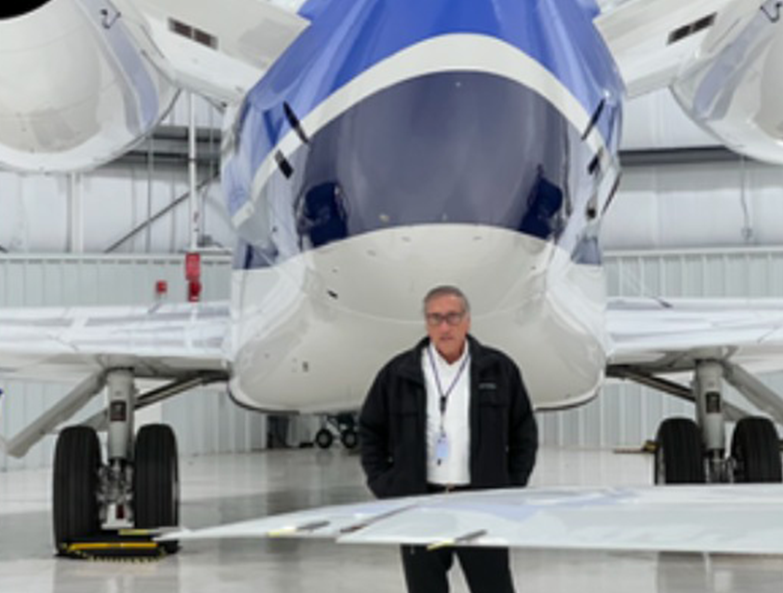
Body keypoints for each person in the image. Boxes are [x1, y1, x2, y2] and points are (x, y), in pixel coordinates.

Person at [359, 285, 538, 593]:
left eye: (452, 317)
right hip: (420, 505)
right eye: (435, 318)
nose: (444, 327)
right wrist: (387, 485)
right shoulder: (398, 373)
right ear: (426, 323)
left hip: (481, 505)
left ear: (467, 321)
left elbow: (524, 433)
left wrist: (509, 485)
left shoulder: (498, 370)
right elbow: (370, 430)